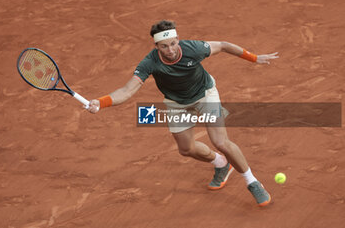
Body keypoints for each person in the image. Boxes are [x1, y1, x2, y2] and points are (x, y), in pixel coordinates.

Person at [87, 20, 279, 207]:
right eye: (164, 46)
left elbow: (223, 45)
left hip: (205, 95)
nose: (170, 50)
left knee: (221, 142)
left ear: (178, 39)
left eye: (173, 43)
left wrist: (254, 57)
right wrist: (101, 102)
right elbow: (127, 90)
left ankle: (252, 181)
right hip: (177, 103)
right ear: (156, 46)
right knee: (186, 149)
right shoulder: (149, 63)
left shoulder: (193, 49)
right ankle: (220, 163)